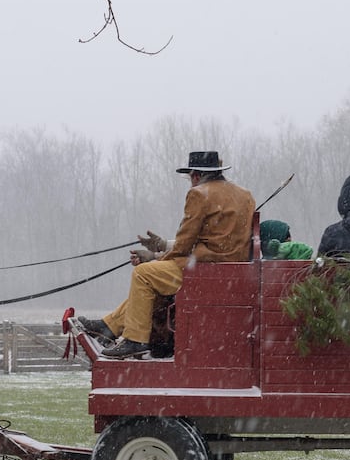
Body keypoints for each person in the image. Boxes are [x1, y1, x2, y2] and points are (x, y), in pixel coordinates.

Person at [83, 150, 255, 359]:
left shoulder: (199, 193)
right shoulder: (244, 195)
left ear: (196, 175)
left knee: (144, 274)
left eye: (190, 178)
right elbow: (220, 238)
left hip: (204, 269)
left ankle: (135, 340)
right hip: (230, 268)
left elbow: (184, 242)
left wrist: (156, 257)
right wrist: (162, 249)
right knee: (153, 276)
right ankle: (108, 326)